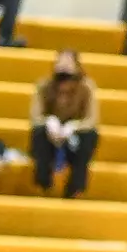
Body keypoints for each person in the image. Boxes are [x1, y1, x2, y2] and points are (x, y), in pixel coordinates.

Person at [30, 50, 100, 198]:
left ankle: (75, 189)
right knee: (38, 132)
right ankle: (43, 184)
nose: (63, 68)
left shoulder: (87, 87)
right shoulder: (44, 85)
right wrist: (49, 121)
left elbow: (92, 120)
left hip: (75, 138)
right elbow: (35, 117)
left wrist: (74, 126)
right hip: (50, 137)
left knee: (90, 136)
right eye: (60, 64)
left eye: (68, 65)